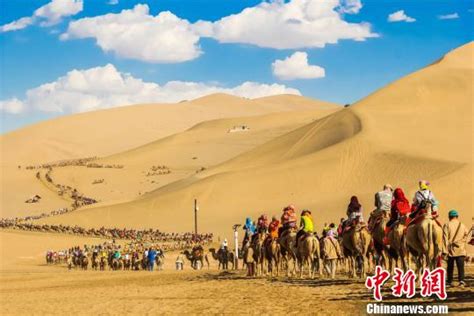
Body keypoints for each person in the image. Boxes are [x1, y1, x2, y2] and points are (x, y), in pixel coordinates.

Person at [442, 210, 468, 287]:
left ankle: (449, 281)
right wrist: (461, 242)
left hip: (450, 249)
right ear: (457, 216)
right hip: (460, 249)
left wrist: (444, 251)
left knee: (450, 267)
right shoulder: (462, 225)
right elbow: (467, 236)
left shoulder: (447, 225)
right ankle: (462, 281)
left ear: (449, 217)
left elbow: (445, 238)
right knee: (461, 266)